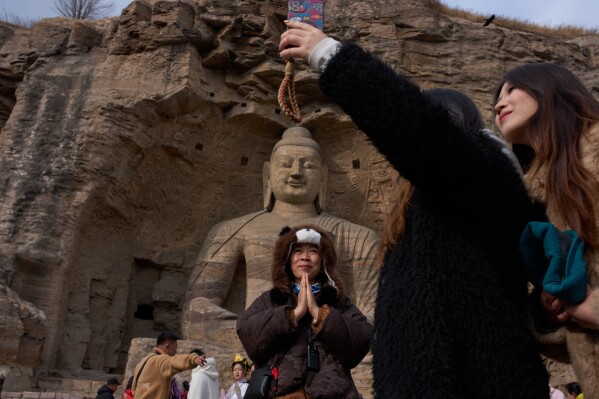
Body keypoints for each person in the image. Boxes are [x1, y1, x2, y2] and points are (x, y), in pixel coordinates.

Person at [279, 22, 549, 398]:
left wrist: (328, 54)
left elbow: (418, 131)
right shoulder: (431, 211)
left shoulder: (482, 173)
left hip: (465, 382)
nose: (295, 172)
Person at [181, 126, 379, 350]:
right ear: (267, 174)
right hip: (255, 343)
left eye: (309, 165)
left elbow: (375, 317)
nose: (296, 172)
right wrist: (266, 329)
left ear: (324, 176)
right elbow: (195, 313)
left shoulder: (359, 237)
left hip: (326, 343)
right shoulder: (233, 230)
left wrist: (326, 327)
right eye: (285, 164)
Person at [494, 63, 599, 396]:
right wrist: (546, 313)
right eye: (496, 97)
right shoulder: (543, 195)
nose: (499, 103)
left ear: (550, 88)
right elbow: (583, 345)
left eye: (512, 90)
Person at [237, 224, 372, 398]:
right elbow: (247, 331)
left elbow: (362, 339)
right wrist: (293, 315)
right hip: (281, 391)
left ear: (324, 259)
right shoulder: (269, 300)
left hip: (332, 393)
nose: (305, 258)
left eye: (313, 251)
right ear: (286, 258)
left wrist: (319, 314)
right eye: (298, 251)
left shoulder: (339, 302)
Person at [132, 331, 207, 399]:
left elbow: (135, 387)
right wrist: (193, 359)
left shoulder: (143, 361)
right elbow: (174, 361)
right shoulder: (162, 360)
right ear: (167, 347)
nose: (175, 352)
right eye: (175, 349)